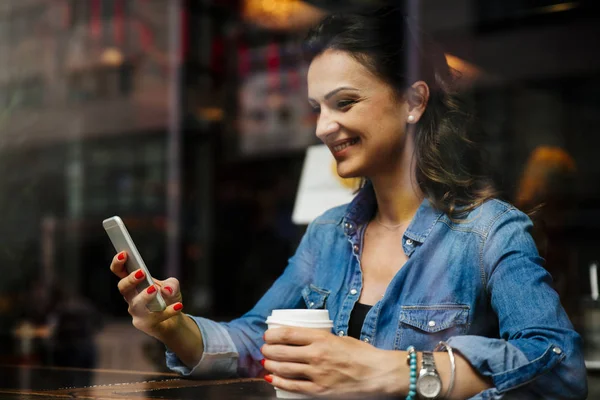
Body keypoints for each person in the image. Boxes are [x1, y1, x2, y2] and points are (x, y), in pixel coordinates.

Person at [109, 8, 587, 399]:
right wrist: (171, 327)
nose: (322, 127)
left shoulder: (489, 231)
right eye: (318, 108)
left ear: (413, 102)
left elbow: (559, 369)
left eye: (345, 102)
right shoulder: (328, 232)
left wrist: (398, 371)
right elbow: (258, 339)